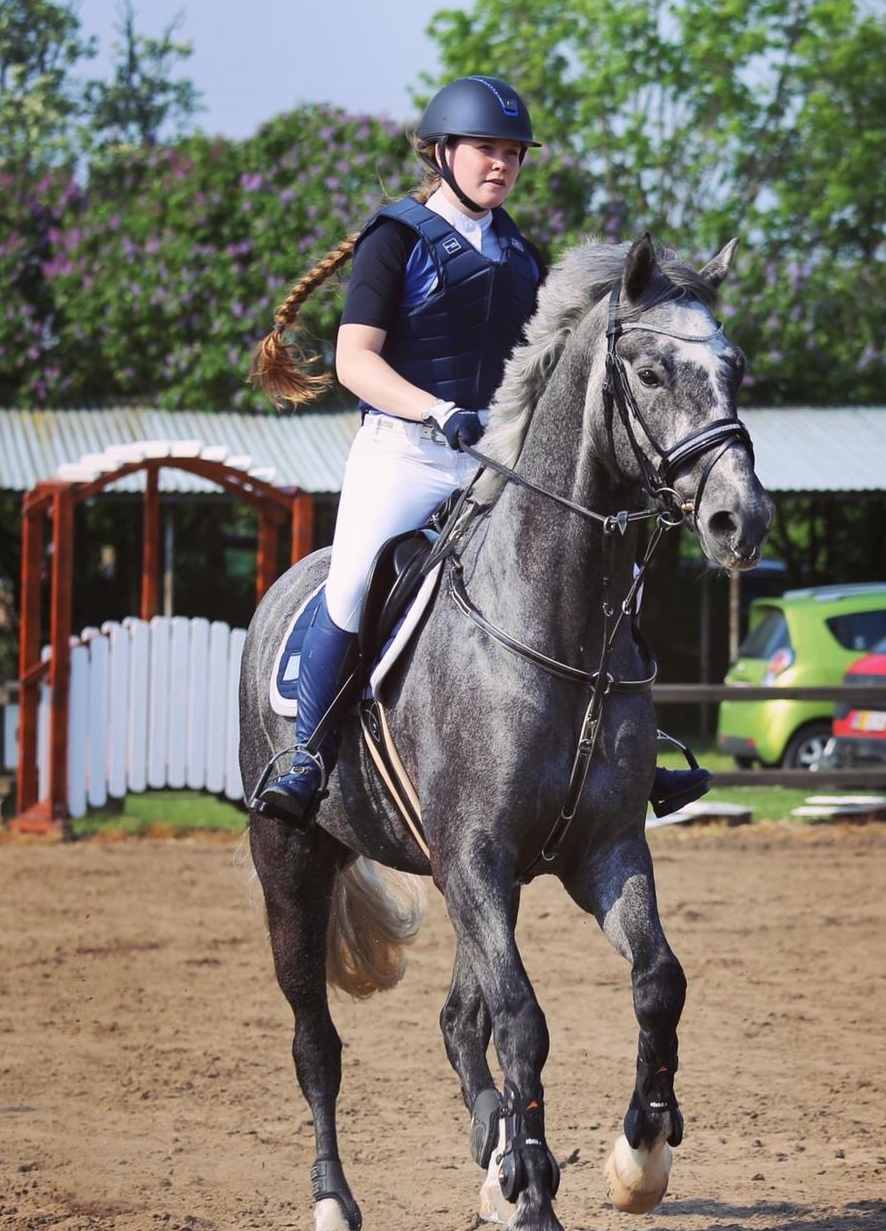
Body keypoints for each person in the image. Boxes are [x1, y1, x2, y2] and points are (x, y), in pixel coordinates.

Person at [249, 75, 709, 829]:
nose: (500, 164)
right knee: (355, 575)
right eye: (485, 149)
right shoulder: (393, 237)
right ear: (442, 152)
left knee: (592, 558)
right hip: (404, 452)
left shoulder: (522, 254)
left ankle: (628, 750)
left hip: (494, 458)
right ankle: (307, 754)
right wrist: (437, 411)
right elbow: (355, 362)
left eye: (511, 153)